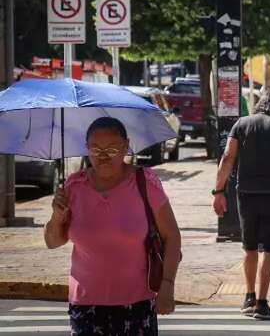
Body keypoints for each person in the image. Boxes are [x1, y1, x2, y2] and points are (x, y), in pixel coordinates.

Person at [44, 117, 182, 335]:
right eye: (96, 149)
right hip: (85, 306)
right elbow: (52, 242)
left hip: (136, 304)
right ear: (87, 149)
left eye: (112, 149)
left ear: (126, 147)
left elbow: (172, 236)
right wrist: (56, 217)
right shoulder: (74, 186)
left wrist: (167, 284)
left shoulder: (144, 182)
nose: (103, 156)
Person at [213, 90, 270, 321]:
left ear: (260, 104)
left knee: (249, 247)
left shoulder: (242, 124)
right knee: (268, 250)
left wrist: (219, 191)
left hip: (246, 195)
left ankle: (249, 298)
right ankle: (262, 304)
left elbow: (227, 158)